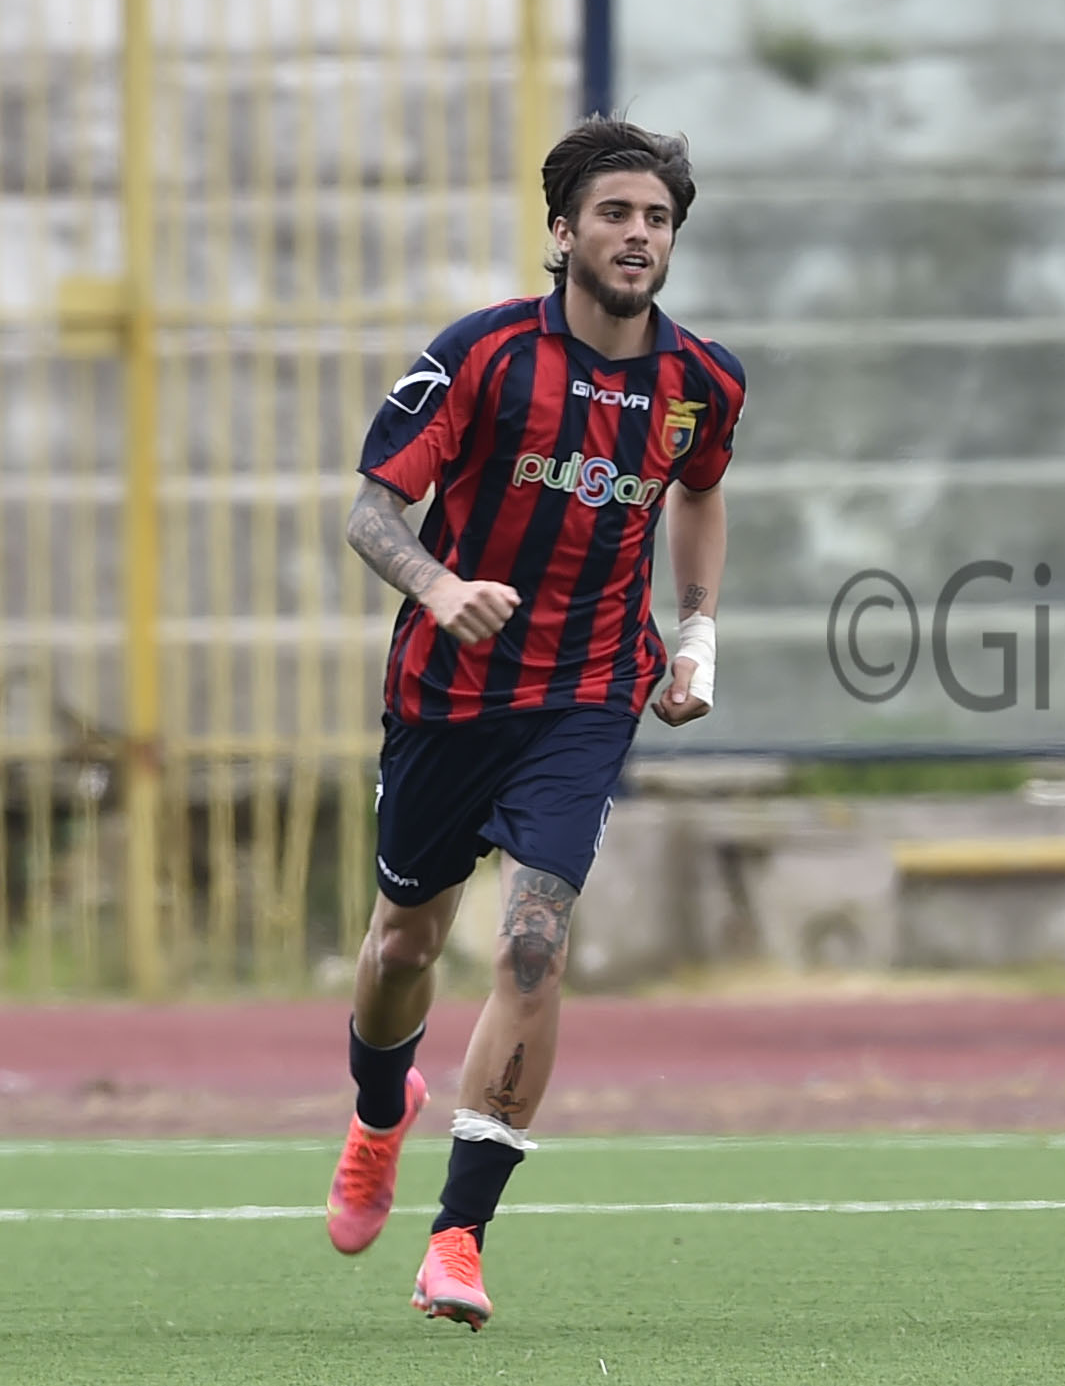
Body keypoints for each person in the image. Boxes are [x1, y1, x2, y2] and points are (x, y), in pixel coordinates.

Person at [325, 117, 748, 1329]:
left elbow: (703, 490)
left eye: (656, 218)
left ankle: (456, 1237)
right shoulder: (482, 355)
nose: (637, 235)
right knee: (404, 941)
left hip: (584, 698)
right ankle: (373, 1113)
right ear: (563, 231)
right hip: (447, 695)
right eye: (614, 214)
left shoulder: (699, 382)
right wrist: (439, 586)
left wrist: (697, 632)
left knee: (531, 944)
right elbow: (370, 511)